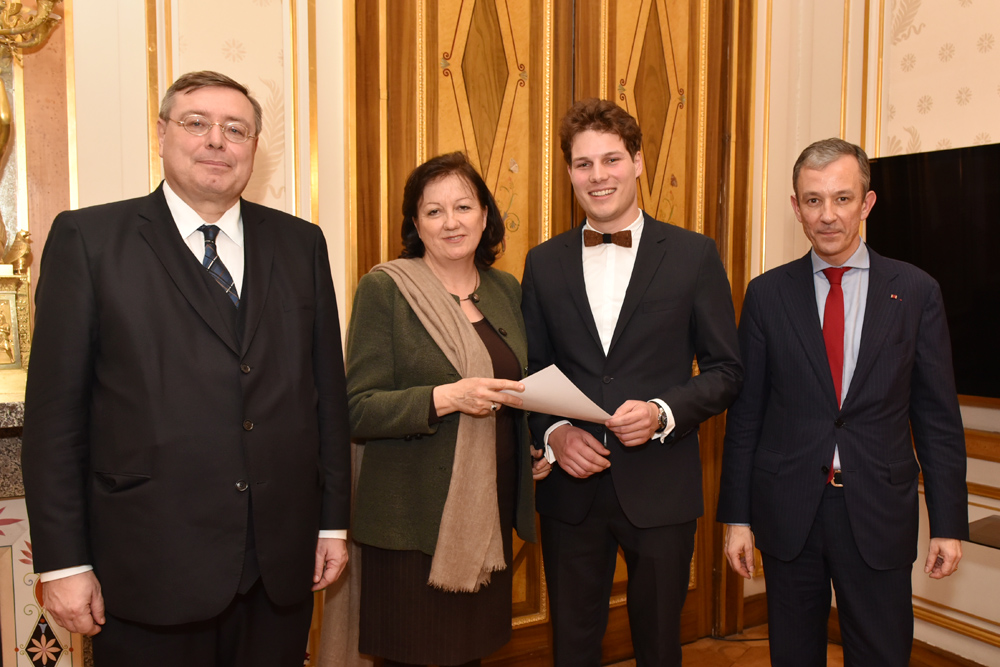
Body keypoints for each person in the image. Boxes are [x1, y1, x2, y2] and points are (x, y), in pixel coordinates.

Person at [21, 70, 352, 667]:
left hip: (278, 568)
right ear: (161, 134)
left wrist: (331, 526)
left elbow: (327, 396)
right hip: (148, 566)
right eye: (197, 123)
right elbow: (54, 421)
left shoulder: (301, 243)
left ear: (254, 146)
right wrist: (64, 563)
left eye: (236, 129)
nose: (217, 140)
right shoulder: (89, 240)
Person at [717, 138, 968, 666]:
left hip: (879, 511)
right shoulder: (766, 295)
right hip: (789, 512)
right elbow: (746, 417)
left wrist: (948, 523)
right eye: (813, 200)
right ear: (796, 207)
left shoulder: (916, 291)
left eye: (842, 198)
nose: (827, 215)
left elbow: (938, 419)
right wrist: (737, 518)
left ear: (867, 203)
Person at [520, 98, 743, 666]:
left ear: (638, 162)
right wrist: (554, 433)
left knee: (660, 647)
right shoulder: (542, 263)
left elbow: (726, 370)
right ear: (570, 172)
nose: (598, 176)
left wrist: (663, 411)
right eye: (584, 163)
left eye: (611, 159)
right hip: (570, 491)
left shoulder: (694, 255)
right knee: (571, 648)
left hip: (662, 486)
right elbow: (531, 371)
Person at [345, 152, 550, 667]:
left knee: (470, 656)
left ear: (485, 215)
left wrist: (529, 445)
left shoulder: (504, 289)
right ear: (415, 224)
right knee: (415, 656)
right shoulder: (386, 289)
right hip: (411, 524)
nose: (451, 222)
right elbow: (358, 409)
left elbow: (513, 388)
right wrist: (446, 397)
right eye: (433, 211)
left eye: (463, 206)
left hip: (487, 514)